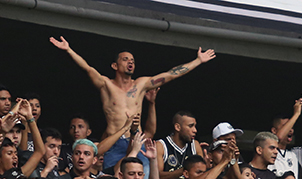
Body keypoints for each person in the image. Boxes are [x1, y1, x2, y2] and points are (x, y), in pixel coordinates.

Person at [50, 36, 214, 171]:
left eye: (133, 60)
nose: (130, 62)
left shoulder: (141, 84)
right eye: (125, 59)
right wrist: (68, 50)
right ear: (115, 65)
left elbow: (170, 75)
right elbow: (87, 68)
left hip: (137, 141)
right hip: (114, 142)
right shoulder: (106, 84)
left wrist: (198, 61)